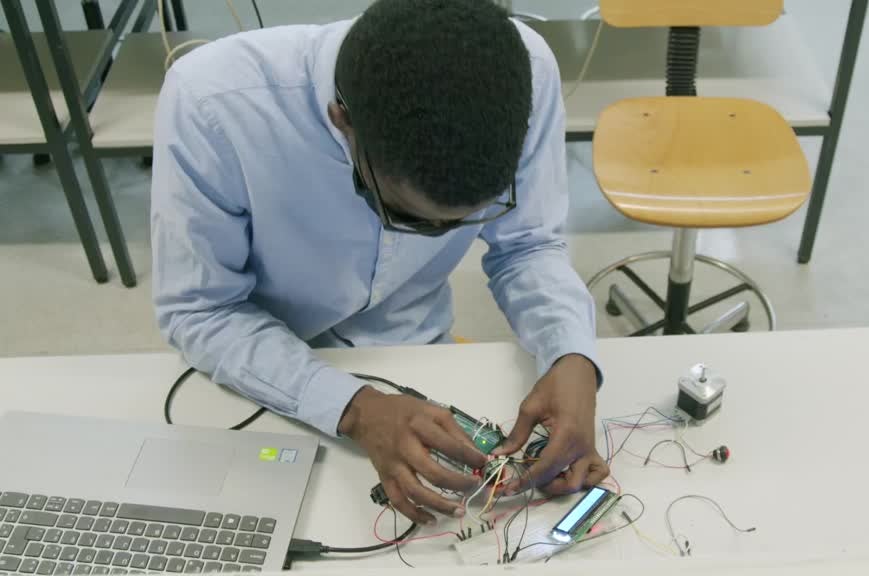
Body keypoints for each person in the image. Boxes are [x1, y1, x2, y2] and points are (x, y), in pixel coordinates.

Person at [151, 0, 608, 525]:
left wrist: (570, 355)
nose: (439, 236)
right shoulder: (212, 102)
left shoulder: (523, 71)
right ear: (342, 123)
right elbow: (201, 311)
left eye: (465, 219)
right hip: (260, 370)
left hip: (419, 353)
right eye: (410, 218)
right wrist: (353, 408)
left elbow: (527, 245)